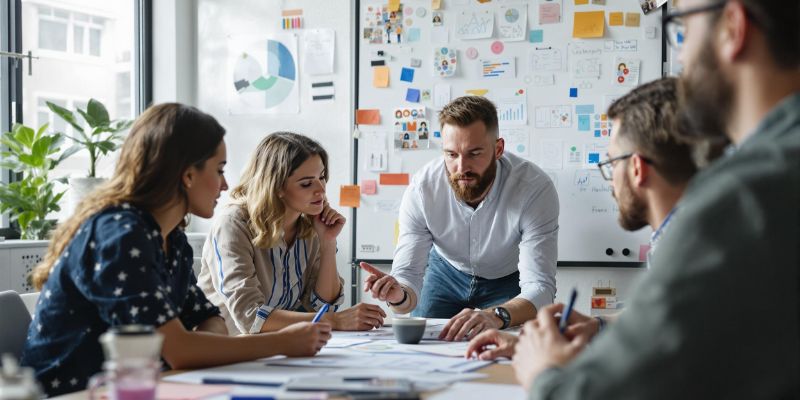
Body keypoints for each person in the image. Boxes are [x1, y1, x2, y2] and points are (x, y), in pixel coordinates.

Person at [513, 0, 800, 397]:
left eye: (681, 28)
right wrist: (601, 326)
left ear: (732, 27)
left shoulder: (740, 199)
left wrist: (544, 371)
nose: (680, 55)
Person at [21, 104, 331, 397]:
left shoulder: (171, 237)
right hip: (71, 394)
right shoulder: (121, 235)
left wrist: (200, 344)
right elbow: (180, 350)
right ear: (188, 175)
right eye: (219, 170)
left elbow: (207, 317)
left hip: (137, 388)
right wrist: (281, 343)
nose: (224, 186)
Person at [466, 77, 703, 360]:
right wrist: (593, 326)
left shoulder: (692, 250)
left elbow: (664, 357)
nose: (610, 180)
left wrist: (548, 372)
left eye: (612, 163)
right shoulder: (685, 231)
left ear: (637, 168)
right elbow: (653, 320)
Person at [361, 95, 559, 341]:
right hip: (446, 271)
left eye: (474, 153)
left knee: (518, 345)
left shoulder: (534, 188)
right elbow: (407, 285)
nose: (461, 167)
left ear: (498, 149)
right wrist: (397, 295)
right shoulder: (423, 189)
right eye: (451, 154)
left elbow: (540, 289)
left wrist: (497, 315)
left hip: (506, 277)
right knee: (423, 343)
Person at [198, 132, 386, 334]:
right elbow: (250, 317)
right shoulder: (233, 224)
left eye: (322, 177)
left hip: (276, 347)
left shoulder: (309, 225)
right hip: (223, 350)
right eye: (306, 183)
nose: (321, 190)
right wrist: (335, 321)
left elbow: (322, 307)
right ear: (276, 187)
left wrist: (328, 242)